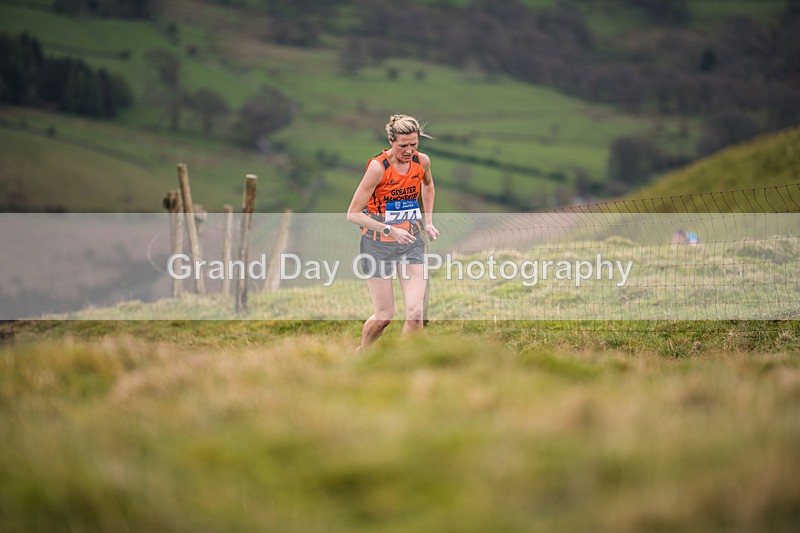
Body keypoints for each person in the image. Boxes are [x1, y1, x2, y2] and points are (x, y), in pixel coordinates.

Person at [346, 114, 440, 350]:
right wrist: (390, 229)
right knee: (383, 317)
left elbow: (427, 186)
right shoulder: (378, 168)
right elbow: (353, 214)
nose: (409, 151)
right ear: (391, 140)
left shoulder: (423, 162)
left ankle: (404, 361)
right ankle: (363, 353)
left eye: (413, 144)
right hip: (378, 245)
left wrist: (428, 221)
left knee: (416, 312)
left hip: (411, 243)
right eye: (403, 146)